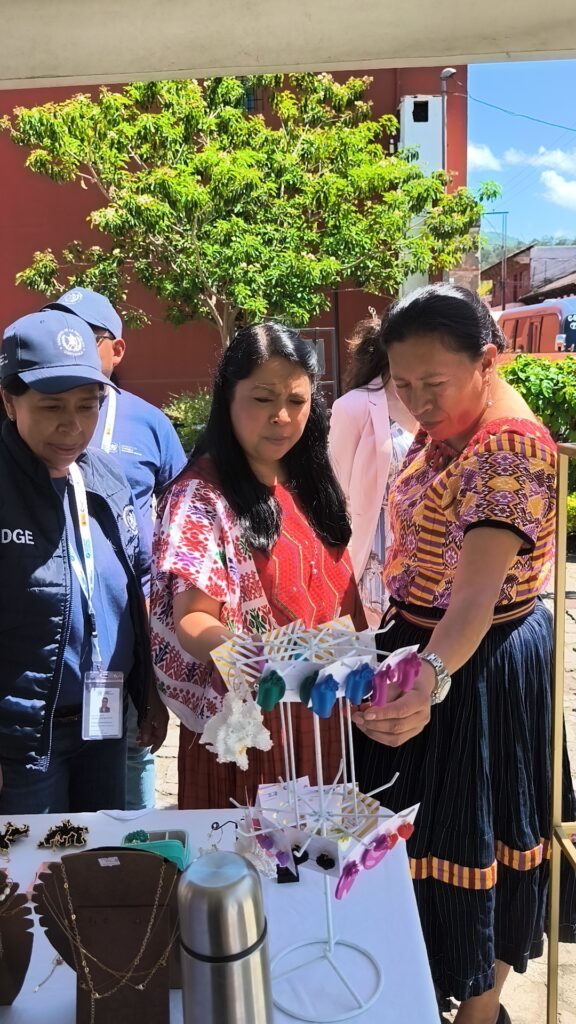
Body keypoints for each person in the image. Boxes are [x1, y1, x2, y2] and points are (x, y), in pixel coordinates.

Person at [352, 284, 576, 1024]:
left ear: (488, 360)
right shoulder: (454, 421)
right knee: (422, 831)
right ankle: (422, 992)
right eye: (403, 384)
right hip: (431, 650)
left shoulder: (507, 450)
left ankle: (479, 1015)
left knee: (480, 835)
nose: (417, 402)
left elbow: (476, 597)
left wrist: (428, 675)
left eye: (433, 383)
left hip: (475, 662)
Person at [150, 322, 365, 809]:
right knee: (254, 849)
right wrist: (262, 660)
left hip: (324, 711)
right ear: (228, 398)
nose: (282, 417)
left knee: (324, 845)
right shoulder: (200, 496)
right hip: (253, 722)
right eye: (263, 399)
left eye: (297, 400)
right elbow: (193, 620)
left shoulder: (309, 478)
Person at [0, 309, 168, 814]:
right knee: (35, 862)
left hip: (104, 724)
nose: (73, 426)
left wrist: (148, 691)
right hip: (23, 742)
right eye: (52, 406)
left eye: (88, 405)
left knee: (98, 856)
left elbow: (137, 589)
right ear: (9, 401)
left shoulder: (107, 478)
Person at [42, 288, 186, 810]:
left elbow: (179, 519)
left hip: (126, 629)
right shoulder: (32, 422)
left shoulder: (150, 423)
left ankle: (138, 851)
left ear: (116, 350)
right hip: (48, 641)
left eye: (87, 335)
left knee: (132, 754)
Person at [328, 311, 415, 624]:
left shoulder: (436, 400)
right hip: (379, 557)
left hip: (431, 555)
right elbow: (337, 493)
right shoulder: (354, 406)